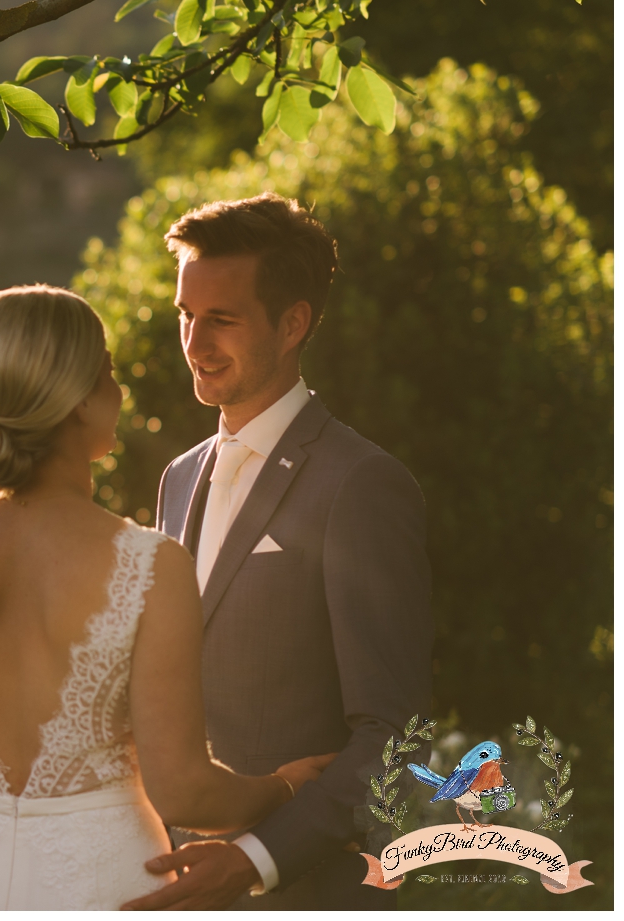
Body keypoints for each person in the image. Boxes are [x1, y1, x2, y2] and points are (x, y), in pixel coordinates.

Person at [0, 284, 335, 910]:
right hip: (95, 874)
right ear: (78, 401)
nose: (119, 391)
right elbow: (186, 795)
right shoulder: (146, 565)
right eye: (108, 375)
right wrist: (284, 789)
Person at [128, 194, 433, 909]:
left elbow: (394, 737)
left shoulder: (360, 483)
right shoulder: (178, 476)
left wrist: (255, 858)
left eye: (221, 320)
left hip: (304, 891)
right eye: (185, 315)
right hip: (172, 879)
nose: (194, 342)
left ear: (292, 322)